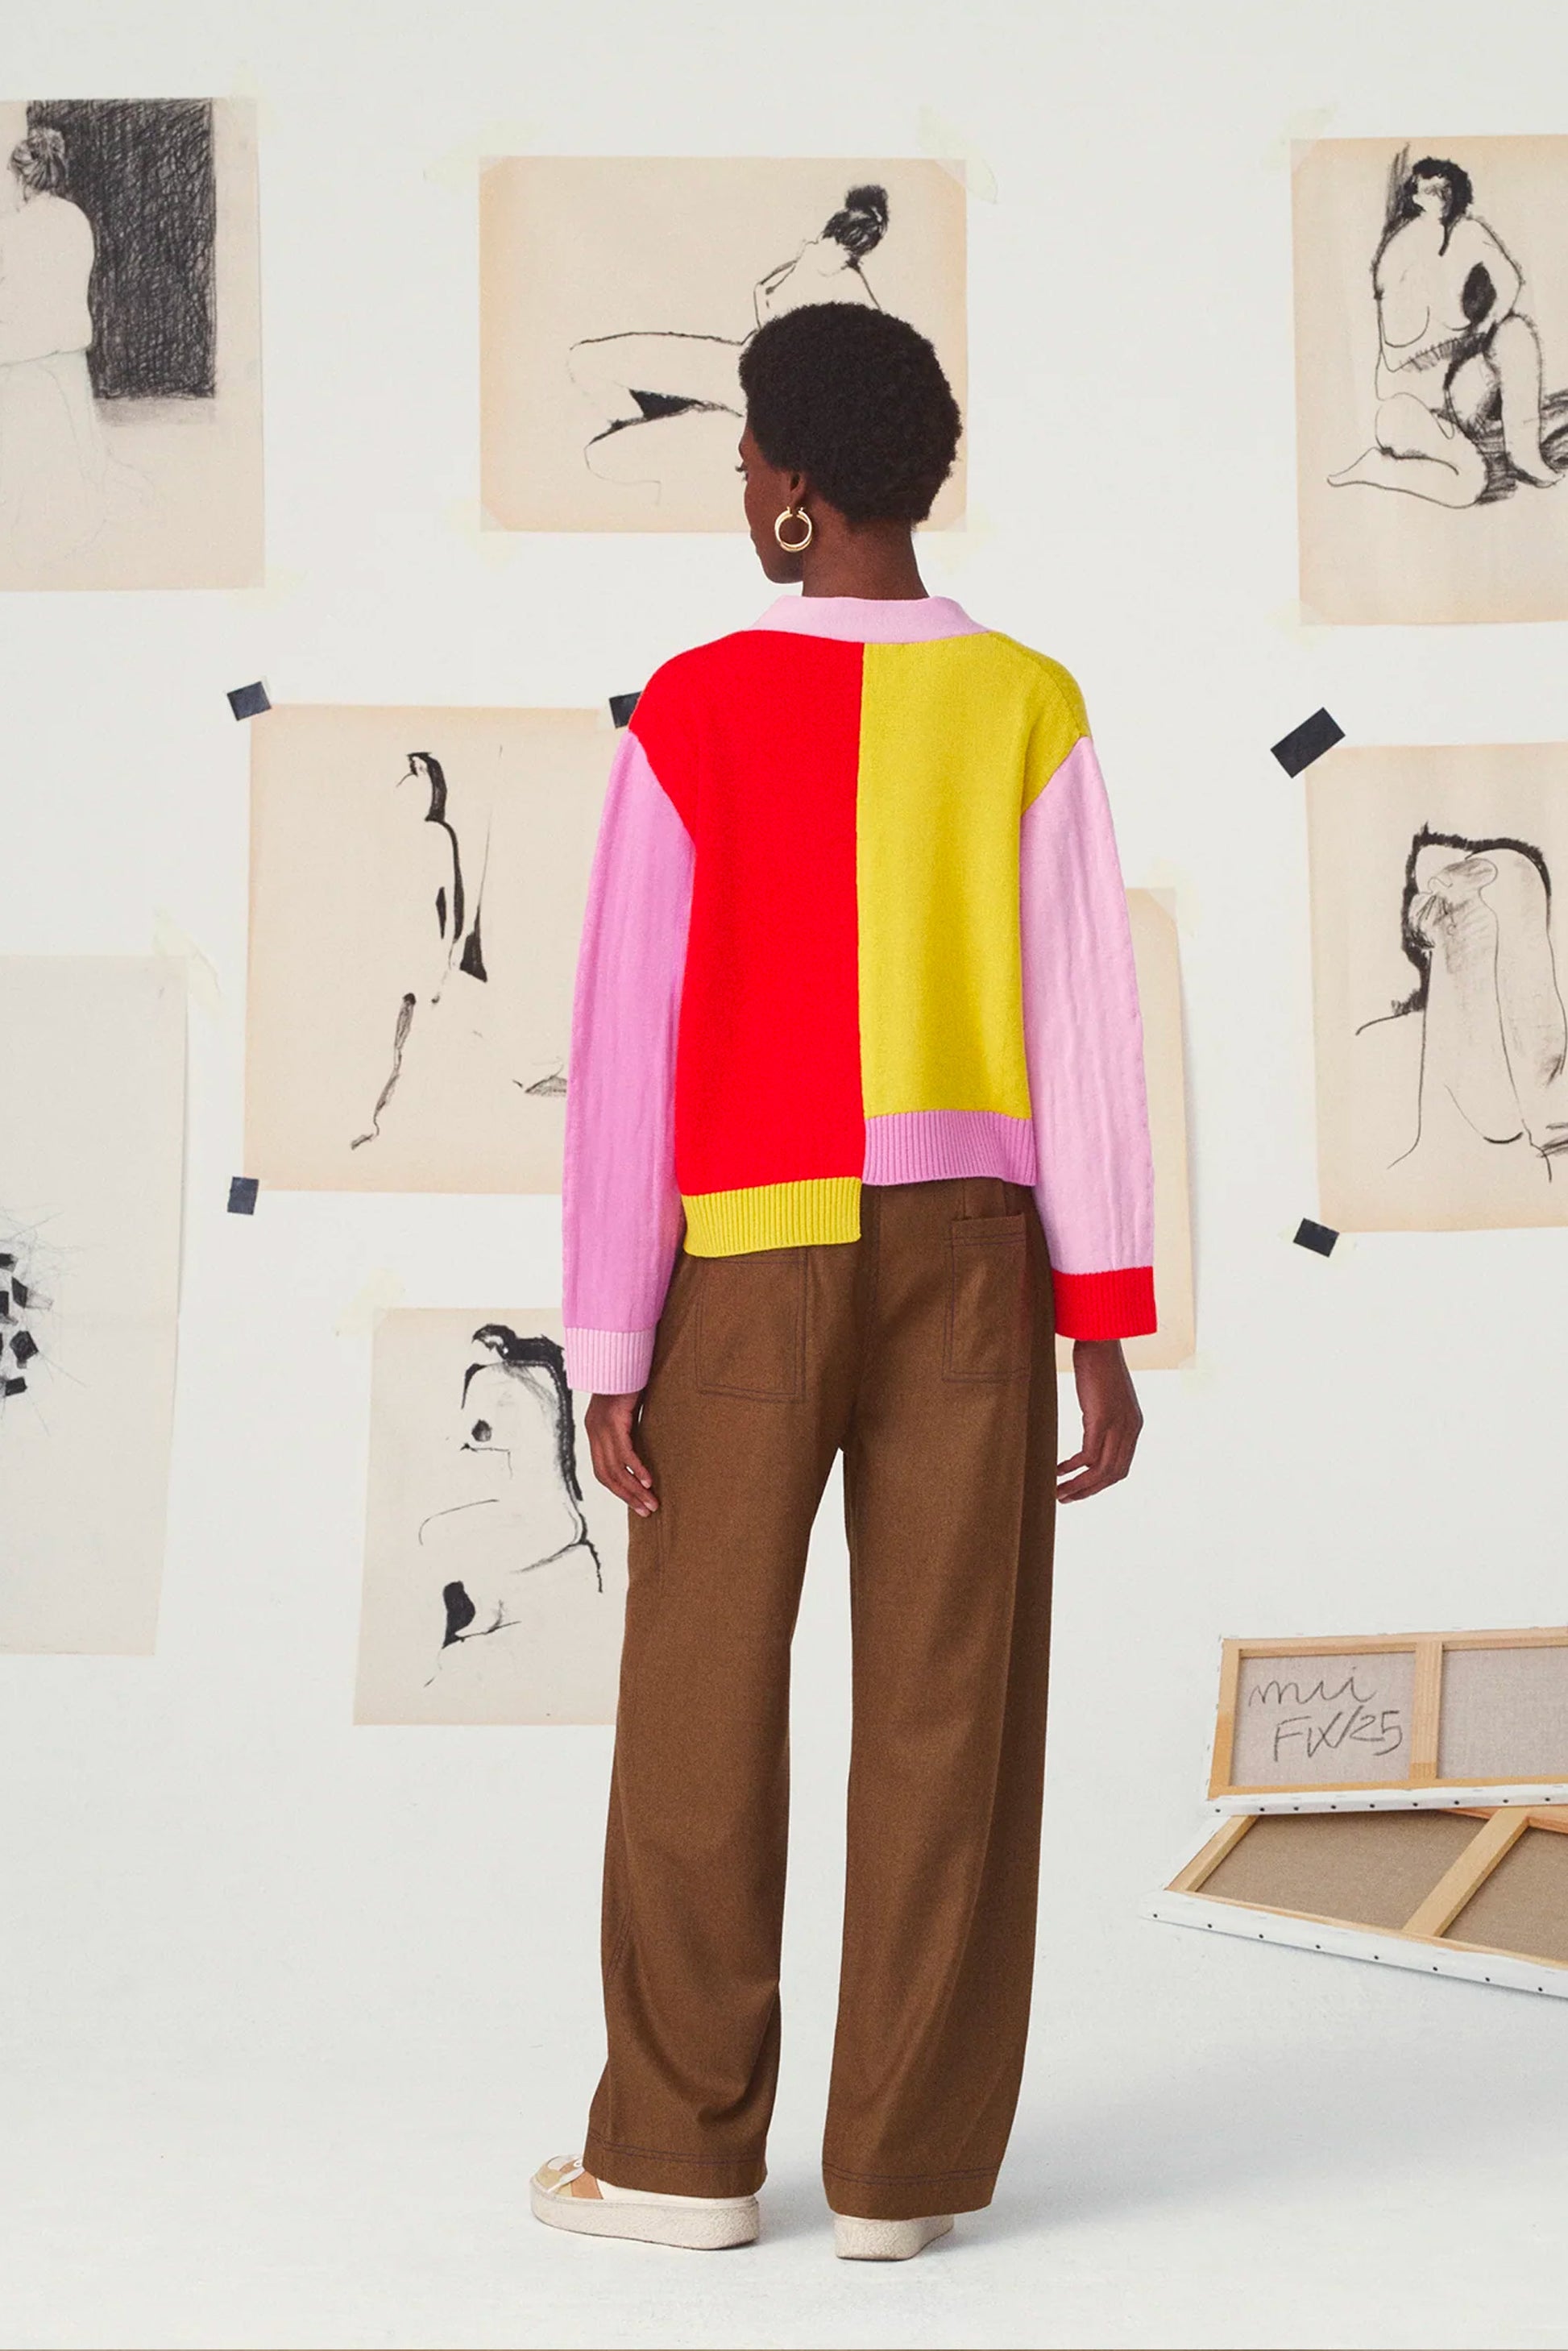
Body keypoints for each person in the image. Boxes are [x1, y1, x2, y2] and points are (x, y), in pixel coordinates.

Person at [531, 301, 1155, 2259]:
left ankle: (676, 2159)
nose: (738, 482)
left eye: (744, 454)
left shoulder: (696, 705)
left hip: (745, 1258)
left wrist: (608, 1337)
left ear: (796, 484)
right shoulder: (1030, 702)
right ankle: (902, 2178)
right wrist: (1100, 1318)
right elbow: (1085, 1028)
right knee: (951, 1709)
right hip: (974, 1267)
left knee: (696, 1703)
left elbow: (628, 1042)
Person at [1329, 153, 1562, 506]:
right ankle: (1376, 468)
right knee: (1469, 482)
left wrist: (1488, 325)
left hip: (1455, 397)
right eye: (1429, 191)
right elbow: (1399, 357)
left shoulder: (1468, 232)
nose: (1440, 198)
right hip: (1407, 406)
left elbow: (1510, 281)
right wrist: (1468, 341)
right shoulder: (1399, 252)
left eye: (1445, 189)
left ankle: (1524, 453)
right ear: (1415, 197)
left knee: (1516, 333)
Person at [0, 126, 111, 561]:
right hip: (69, 347)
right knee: (73, 446)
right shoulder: (76, 218)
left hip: (24, 352)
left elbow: (12, 297)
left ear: (21, 178)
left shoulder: (14, 228)